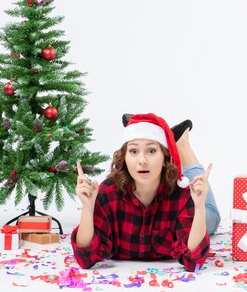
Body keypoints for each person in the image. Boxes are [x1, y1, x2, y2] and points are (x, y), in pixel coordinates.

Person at [71, 113, 212, 272]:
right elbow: (85, 259)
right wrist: (88, 207)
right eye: (133, 151)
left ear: (165, 158)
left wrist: (199, 206)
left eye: (151, 151)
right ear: (124, 157)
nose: (142, 161)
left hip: (180, 186)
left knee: (211, 216)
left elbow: (193, 261)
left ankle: (182, 144)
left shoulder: (183, 195)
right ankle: (168, 137)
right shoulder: (107, 194)